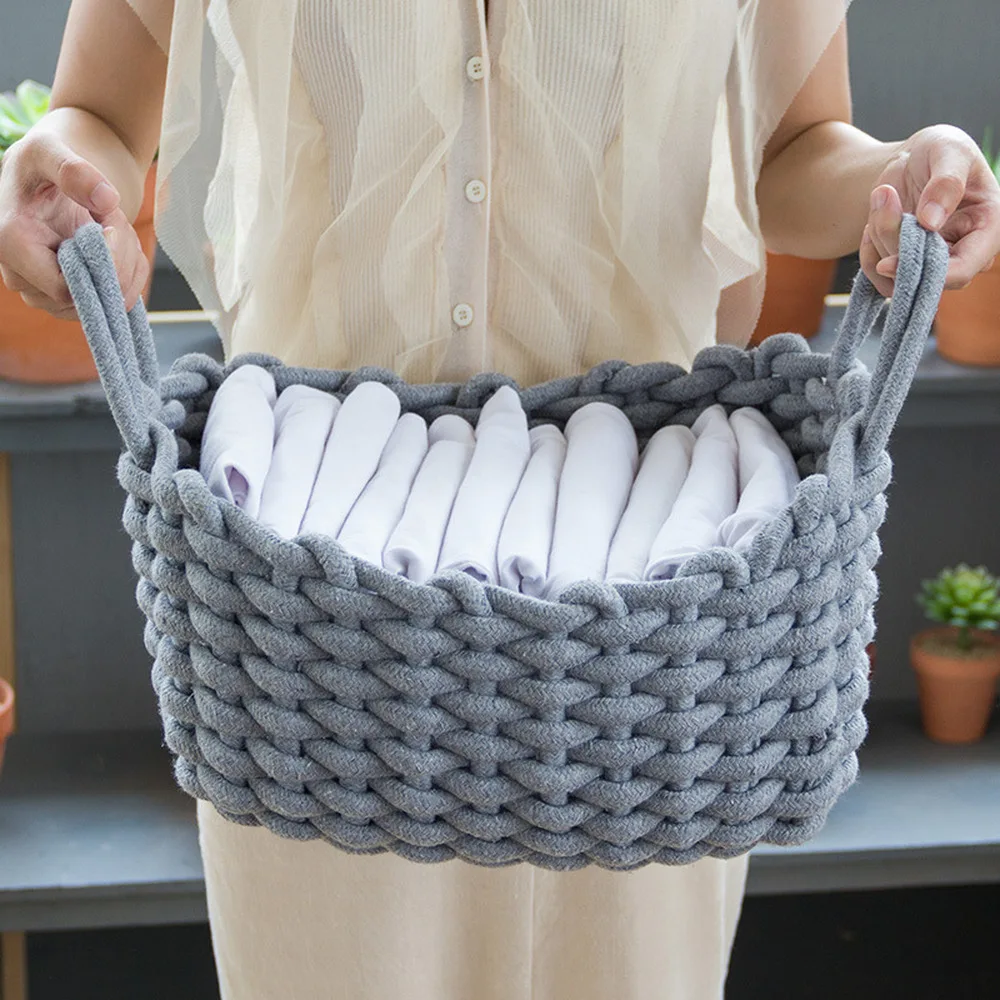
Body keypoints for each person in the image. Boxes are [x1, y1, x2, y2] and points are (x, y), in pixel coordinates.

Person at [1, 2, 998, 998]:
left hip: (651, 648)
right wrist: (54, 178)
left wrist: (898, 178)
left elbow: (791, 146)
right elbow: (101, 115)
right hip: (311, 629)